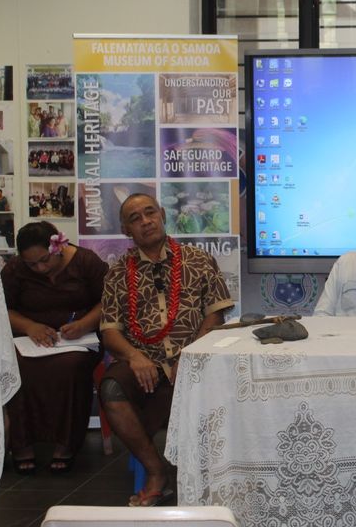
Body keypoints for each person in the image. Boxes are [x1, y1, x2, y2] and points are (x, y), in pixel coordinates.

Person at [99, 193, 233, 507]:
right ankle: (155, 469)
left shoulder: (197, 259)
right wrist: (134, 356)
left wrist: (193, 357)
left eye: (150, 213)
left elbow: (216, 314)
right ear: (126, 230)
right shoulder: (117, 273)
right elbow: (110, 333)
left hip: (194, 357)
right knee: (111, 387)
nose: (146, 221)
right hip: (144, 362)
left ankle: (205, 476)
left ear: (162, 215)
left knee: (207, 384)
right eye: (136, 218)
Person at [0, 222, 109, 474]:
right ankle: (22, 444)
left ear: (57, 246)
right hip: (30, 340)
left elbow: (109, 300)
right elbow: (2, 307)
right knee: (16, 367)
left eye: (44, 260)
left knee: (69, 368)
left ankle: (66, 444)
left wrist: (84, 324)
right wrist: (29, 326)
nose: (39, 268)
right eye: (32, 264)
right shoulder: (16, 269)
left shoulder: (85, 262)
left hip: (78, 340)